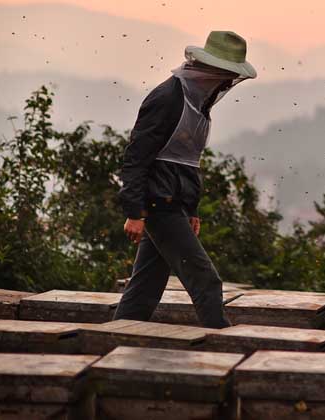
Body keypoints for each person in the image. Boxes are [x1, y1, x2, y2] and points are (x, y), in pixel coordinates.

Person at [113, 31, 256, 328]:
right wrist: (134, 212)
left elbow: (186, 162)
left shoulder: (198, 103)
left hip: (173, 203)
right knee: (205, 280)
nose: (228, 82)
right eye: (226, 75)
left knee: (146, 285)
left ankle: (117, 338)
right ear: (211, 69)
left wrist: (191, 209)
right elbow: (136, 157)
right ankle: (223, 348)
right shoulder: (167, 98)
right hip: (157, 203)